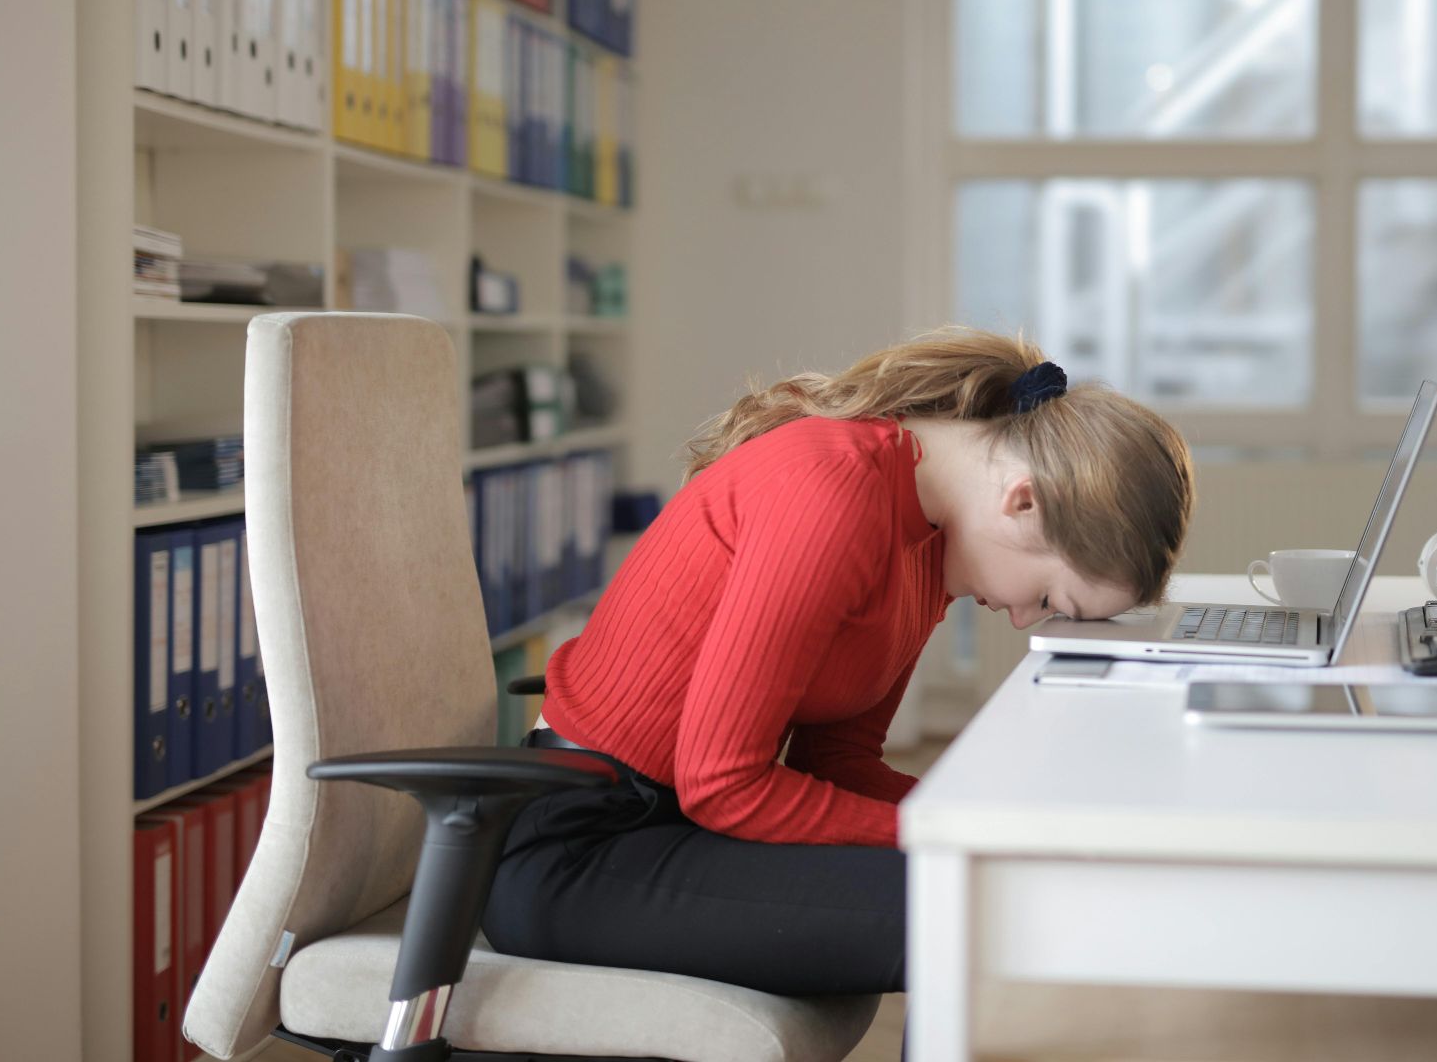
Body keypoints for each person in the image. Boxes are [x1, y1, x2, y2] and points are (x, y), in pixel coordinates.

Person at [481, 327, 1195, 996]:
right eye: (1047, 596)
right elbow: (724, 785)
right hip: (582, 851)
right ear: (1025, 501)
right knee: (986, 910)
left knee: (1001, 885)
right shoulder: (834, 489)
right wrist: (954, 829)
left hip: (678, 830)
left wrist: (992, 819)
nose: (1023, 617)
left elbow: (840, 761)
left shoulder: (930, 543)